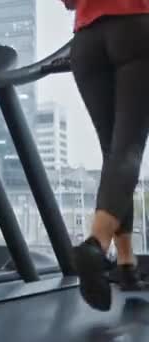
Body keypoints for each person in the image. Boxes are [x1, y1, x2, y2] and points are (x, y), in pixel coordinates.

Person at [63, 0, 149, 311]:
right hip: (135, 26)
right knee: (128, 148)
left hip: (87, 42)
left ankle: (126, 264)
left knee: (113, 153)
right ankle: (95, 245)